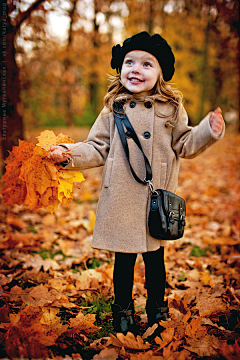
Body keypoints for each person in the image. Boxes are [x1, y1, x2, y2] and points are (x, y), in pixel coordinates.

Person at [48, 32, 225, 336]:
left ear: (160, 74)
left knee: (155, 261)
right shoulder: (113, 108)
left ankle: (157, 310)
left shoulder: (171, 109)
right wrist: (68, 155)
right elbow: (97, 146)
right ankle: (122, 312)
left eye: (146, 64)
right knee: (124, 261)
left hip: (155, 201)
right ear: (120, 68)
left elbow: (185, 144)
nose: (135, 69)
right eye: (129, 62)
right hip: (121, 197)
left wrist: (208, 130)